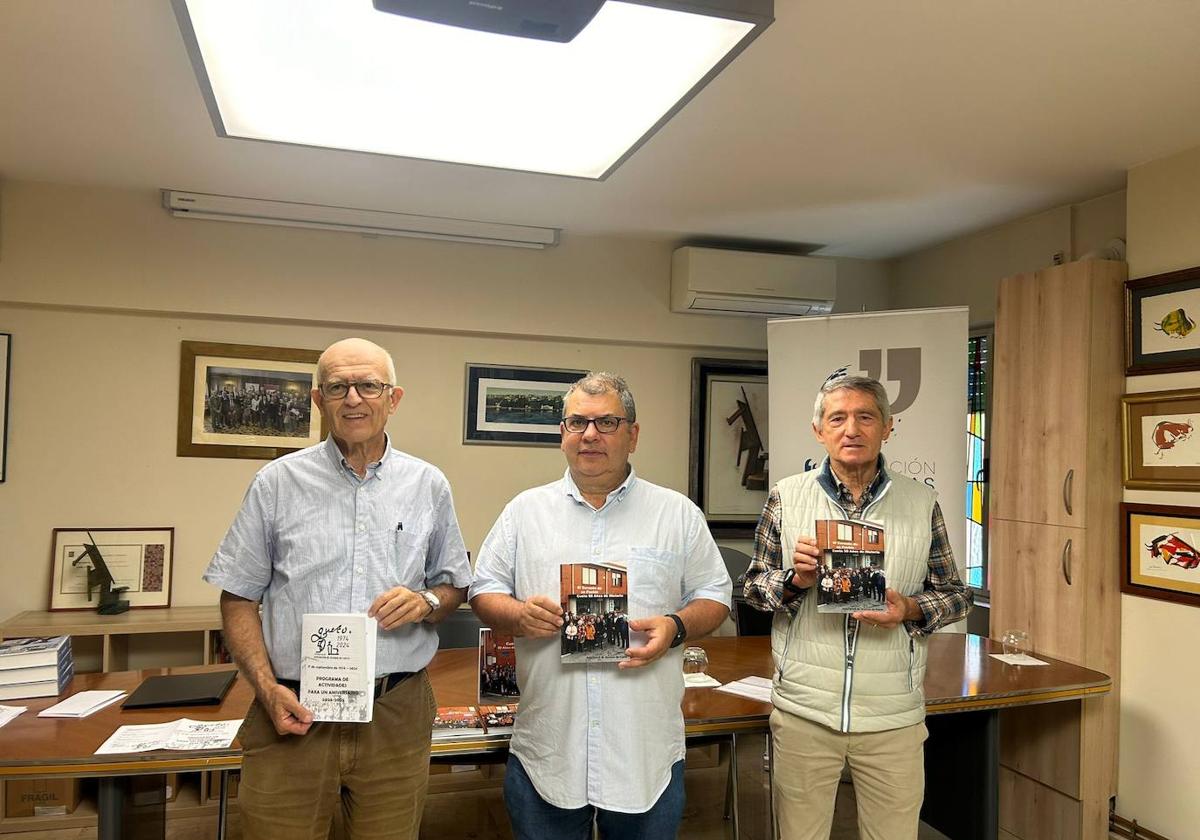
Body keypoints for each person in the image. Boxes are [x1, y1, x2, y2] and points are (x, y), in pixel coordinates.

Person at [202, 337, 471, 840]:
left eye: (368, 385)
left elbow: (453, 584)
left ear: (393, 399)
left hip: (395, 711)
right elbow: (238, 595)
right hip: (293, 709)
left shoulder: (428, 484)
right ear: (317, 399)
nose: (354, 398)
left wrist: (427, 601)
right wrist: (265, 688)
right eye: (338, 387)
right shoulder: (276, 483)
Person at [469, 372, 732, 840]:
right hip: (548, 751)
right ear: (562, 435)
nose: (590, 434)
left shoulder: (677, 514)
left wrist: (675, 626)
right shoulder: (524, 512)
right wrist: (518, 616)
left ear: (633, 434)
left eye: (606, 422)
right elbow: (483, 592)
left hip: (643, 752)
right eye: (577, 422)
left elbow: (715, 596)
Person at [743, 373, 971, 840]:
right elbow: (752, 589)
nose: (852, 429)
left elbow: (956, 594)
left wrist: (908, 607)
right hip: (805, 711)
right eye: (838, 418)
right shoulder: (787, 496)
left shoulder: (921, 501)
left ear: (888, 427)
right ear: (819, 430)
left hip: (893, 716)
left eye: (866, 417)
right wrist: (795, 580)